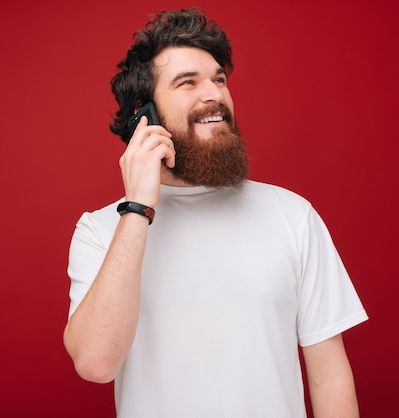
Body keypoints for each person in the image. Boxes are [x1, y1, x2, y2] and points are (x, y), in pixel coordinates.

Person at [63, 8, 368, 418]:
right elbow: (95, 364)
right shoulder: (99, 231)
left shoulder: (292, 216)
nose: (215, 94)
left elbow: (328, 377)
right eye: (188, 82)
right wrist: (136, 207)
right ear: (145, 114)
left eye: (219, 79)